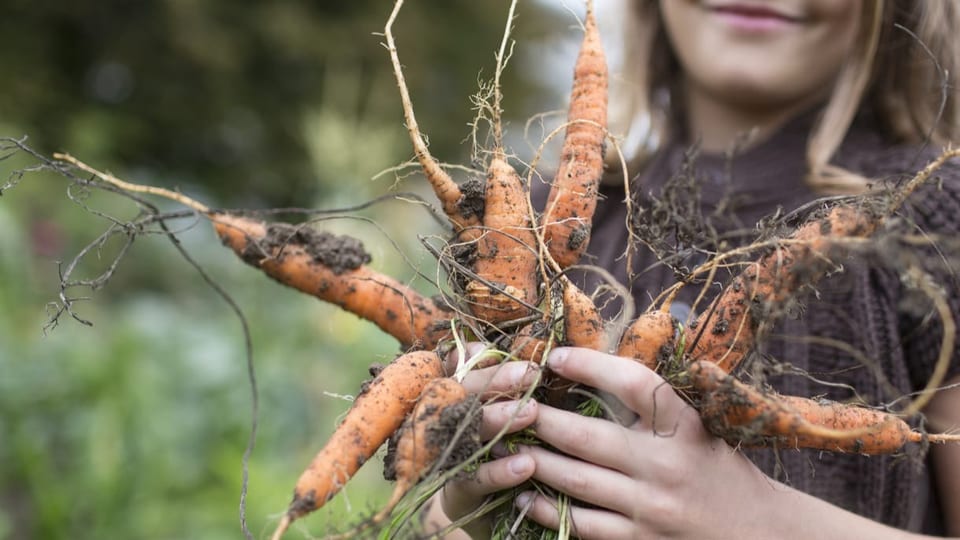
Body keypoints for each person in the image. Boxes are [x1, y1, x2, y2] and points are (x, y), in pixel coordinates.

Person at [425, 1, 960, 538]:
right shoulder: (526, 224)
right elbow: (435, 513)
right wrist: (474, 502)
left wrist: (754, 521)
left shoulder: (938, 217)